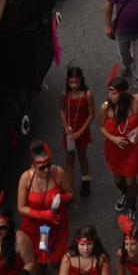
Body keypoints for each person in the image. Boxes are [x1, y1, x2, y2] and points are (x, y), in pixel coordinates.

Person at [16, 141, 74, 275]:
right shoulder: (26, 179)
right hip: (35, 228)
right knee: (39, 262)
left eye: (49, 165)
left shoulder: (59, 173)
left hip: (57, 226)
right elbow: (21, 207)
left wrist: (61, 199)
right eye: (42, 168)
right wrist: (43, 215)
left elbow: (70, 194)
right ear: (33, 166)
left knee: (56, 262)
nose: (47, 170)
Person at [98, 76, 138, 214]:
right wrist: (113, 138)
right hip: (114, 149)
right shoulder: (106, 107)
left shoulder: (137, 101)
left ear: (123, 93)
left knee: (130, 182)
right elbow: (101, 128)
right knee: (118, 180)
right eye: (109, 93)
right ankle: (125, 194)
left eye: (114, 93)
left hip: (133, 148)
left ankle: (131, 207)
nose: (110, 96)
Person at [58, 67, 94, 200]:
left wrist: (80, 131)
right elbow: (61, 110)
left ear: (81, 80)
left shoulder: (87, 94)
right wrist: (65, 125)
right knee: (69, 158)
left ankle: (85, 179)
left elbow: (91, 115)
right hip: (69, 131)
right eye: (71, 82)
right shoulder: (65, 93)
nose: (73, 85)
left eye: (76, 82)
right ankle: (69, 189)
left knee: (82, 156)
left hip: (82, 130)